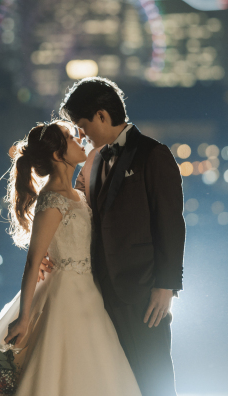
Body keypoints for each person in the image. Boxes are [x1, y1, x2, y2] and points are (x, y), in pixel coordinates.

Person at [0, 120, 141, 396]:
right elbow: (34, 260)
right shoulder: (51, 200)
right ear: (58, 155)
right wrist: (23, 318)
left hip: (89, 292)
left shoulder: (78, 195)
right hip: (62, 295)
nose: (79, 139)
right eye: (70, 137)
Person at [60, 76, 186, 396]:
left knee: (153, 377)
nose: (82, 135)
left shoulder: (153, 154)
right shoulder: (93, 161)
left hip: (144, 290)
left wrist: (166, 285)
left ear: (102, 115)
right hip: (101, 290)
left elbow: (170, 223)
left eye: (83, 126)